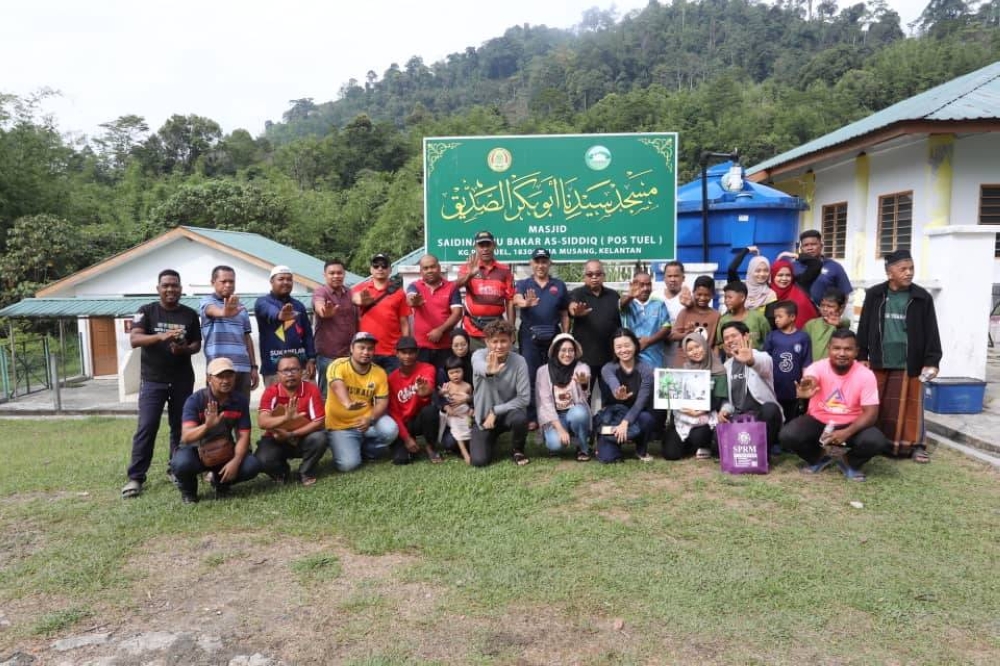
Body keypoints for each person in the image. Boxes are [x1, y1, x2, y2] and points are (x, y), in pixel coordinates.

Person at [121, 269, 202, 499]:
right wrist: (162, 337)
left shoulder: (189, 314)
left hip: (182, 379)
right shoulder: (146, 311)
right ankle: (136, 477)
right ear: (158, 288)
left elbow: (196, 344)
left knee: (180, 427)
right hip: (153, 380)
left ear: (181, 289)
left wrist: (183, 349)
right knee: (147, 427)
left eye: (174, 285)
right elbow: (135, 339)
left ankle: (175, 469)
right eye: (166, 285)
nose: (170, 289)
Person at [857, 249, 942, 463]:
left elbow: (932, 331)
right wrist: (862, 354)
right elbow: (864, 326)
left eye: (911, 268)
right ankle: (878, 444)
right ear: (889, 273)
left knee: (910, 407)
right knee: (879, 405)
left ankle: (915, 447)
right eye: (902, 269)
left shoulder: (922, 297)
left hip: (910, 361)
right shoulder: (875, 294)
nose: (909, 273)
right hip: (879, 360)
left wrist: (932, 361)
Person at [780, 329, 890, 482]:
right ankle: (819, 457)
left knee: (876, 441)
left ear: (856, 351)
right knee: (788, 435)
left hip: (852, 424)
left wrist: (847, 432)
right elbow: (811, 378)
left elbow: (871, 413)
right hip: (819, 421)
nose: (842, 353)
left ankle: (848, 461)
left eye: (848, 349)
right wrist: (807, 385)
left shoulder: (866, 375)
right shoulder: (817, 367)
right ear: (829, 349)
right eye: (837, 348)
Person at [170, 358, 262, 503]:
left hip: (223, 450)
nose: (225, 380)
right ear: (209, 379)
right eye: (220, 376)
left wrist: (236, 461)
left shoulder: (240, 401)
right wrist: (207, 425)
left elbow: (243, 435)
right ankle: (189, 492)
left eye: (229, 375)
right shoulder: (195, 400)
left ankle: (221, 482)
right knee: (181, 463)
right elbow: (187, 437)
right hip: (195, 451)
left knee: (252, 465)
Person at [325, 332, 399, 472]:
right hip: (340, 426)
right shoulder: (338, 365)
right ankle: (345, 445)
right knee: (349, 465)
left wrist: (369, 418)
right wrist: (347, 403)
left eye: (370, 348)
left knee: (391, 430)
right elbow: (336, 384)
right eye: (362, 347)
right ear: (352, 348)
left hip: (367, 422)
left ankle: (367, 450)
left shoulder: (379, 372)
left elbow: (382, 402)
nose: (366, 352)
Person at [512, 247, 569, 429]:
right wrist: (525, 303)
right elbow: (516, 300)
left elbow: (565, 312)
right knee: (530, 376)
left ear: (549, 263)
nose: (540, 265)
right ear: (531, 263)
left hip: (553, 335)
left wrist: (566, 335)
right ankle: (532, 417)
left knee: (554, 375)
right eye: (537, 261)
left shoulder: (559, 285)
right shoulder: (523, 283)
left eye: (544, 261)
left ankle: (554, 414)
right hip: (530, 335)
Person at [255, 353, 327, 486]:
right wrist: (286, 418)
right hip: (276, 438)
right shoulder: (271, 392)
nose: (290, 374)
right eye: (285, 370)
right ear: (278, 374)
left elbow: (319, 422)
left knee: (320, 438)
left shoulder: (311, 389)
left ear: (302, 371)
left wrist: (291, 434)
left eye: (294, 369)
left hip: (302, 437)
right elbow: (262, 422)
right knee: (262, 458)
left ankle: (305, 471)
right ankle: (282, 472)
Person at [469, 319, 531, 467]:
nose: (499, 346)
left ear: (511, 340)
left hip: (507, 413)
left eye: (503, 341)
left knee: (520, 418)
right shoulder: (478, 355)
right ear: (487, 342)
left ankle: (518, 449)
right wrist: (489, 371)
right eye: (494, 341)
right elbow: (479, 367)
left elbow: (524, 399)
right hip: (484, 417)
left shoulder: (519, 361)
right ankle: (488, 438)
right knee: (479, 461)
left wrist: (495, 411)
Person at [718, 321, 784, 454]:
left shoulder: (763, 357)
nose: (730, 340)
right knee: (716, 442)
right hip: (739, 418)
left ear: (746, 336)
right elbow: (728, 399)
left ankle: (762, 452)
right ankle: (747, 449)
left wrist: (750, 360)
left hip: (761, 415)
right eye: (726, 338)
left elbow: (761, 365)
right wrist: (724, 410)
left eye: (734, 336)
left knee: (770, 409)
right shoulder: (727, 366)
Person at [595, 328, 656, 463]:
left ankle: (641, 449)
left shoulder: (646, 369)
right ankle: (605, 442)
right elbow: (613, 383)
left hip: (636, 414)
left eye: (627, 345)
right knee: (608, 458)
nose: (623, 350)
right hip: (613, 416)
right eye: (619, 347)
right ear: (614, 349)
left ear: (635, 345)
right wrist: (618, 393)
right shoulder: (607, 368)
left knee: (647, 418)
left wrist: (625, 423)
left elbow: (641, 402)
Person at [662, 332, 726, 461]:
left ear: (705, 346)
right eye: (690, 350)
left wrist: (700, 411)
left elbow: (719, 399)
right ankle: (687, 444)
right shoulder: (684, 370)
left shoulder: (719, 370)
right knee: (670, 454)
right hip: (683, 416)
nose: (695, 352)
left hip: (705, 416)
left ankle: (703, 445)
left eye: (697, 347)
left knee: (698, 437)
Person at [200, 265, 258, 395]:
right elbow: (211, 310)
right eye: (223, 281)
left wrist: (253, 367)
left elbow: (247, 338)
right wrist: (224, 312)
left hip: (242, 368)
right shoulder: (207, 302)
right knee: (217, 410)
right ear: (213, 282)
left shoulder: (241, 307)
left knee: (241, 411)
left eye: (231, 281)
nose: (228, 285)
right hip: (218, 370)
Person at [254, 265, 316, 387]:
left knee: (306, 404)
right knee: (278, 406)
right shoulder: (262, 302)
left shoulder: (298, 306)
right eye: (281, 279)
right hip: (274, 370)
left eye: (289, 279)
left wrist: (311, 359)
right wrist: (279, 315)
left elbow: (308, 335)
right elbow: (269, 311)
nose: (285, 282)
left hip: (301, 369)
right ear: (272, 281)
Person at [535, 333, 593, 462]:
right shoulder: (543, 371)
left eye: (571, 350)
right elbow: (545, 404)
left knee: (580, 413)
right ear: (555, 351)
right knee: (555, 445)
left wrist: (583, 382)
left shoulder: (580, 367)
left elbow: (584, 383)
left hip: (573, 413)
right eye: (563, 350)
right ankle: (553, 437)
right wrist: (560, 429)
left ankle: (583, 448)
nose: (567, 354)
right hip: (554, 417)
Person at [455, 230, 515, 351]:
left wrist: (511, 329)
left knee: (499, 366)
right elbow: (455, 286)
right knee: (475, 367)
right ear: (476, 247)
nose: (485, 249)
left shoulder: (505, 270)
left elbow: (510, 301)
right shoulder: (467, 267)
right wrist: (470, 275)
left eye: (488, 245)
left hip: (497, 330)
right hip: (473, 329)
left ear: (494, 245)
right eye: (481, 245)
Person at [351, 253, 411, 373]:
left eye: (384, 266)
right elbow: (355, 298)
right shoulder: (360, 289)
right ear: (371, 269)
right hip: (365, 351)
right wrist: (359, 300)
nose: (380, 269)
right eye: (376, 265)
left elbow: (404, 322)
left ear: (390, 269)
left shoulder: (399, 293)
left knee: (393, 388)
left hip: (392, 352)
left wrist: (405, 347)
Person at [386, 336, 441, 465]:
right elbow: (394, 412)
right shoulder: (391, 379)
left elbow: (429, 387)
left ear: (417, 353)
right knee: (401, 459)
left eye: (411, 352)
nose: (408, 356)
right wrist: (406, 438)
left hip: (420, 419)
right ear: (397, 354)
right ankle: (411, 445)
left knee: (430, 410)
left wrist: (424, 392)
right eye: (404, 352)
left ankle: (430, 446)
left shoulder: (427, 368)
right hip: (403, 423)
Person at [568, 259, 623, 387]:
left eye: (598, 274)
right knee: (583, 397)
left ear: (603, 276)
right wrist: (575, 311)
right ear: (584, 277)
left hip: (610, 359)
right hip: (584, 359)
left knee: (610, 398)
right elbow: (572, 308)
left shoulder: (614, 295)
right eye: (590, 274)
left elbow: (619, 324)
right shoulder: (577, 293)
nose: (594, 277)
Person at [406, 254, 463, 369]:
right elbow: (410, 299)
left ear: (439, 268)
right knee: (424, 382)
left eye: (432, 267)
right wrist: (414, 301)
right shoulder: (415, 286)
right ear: (421, 271)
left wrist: (440, 330)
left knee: (444, 382)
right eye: (425, 268)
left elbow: (457, 313)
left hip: (445, 346)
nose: (429, 271)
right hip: (421, 347)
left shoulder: (451, 287)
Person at [313, 259, 357, 397]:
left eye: (339, 273)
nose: (336, 276)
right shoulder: (321, 292)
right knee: (327, 396)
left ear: (344, 274)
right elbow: (319, 305)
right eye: (332, 273)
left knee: (351, 395)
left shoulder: (350, 293)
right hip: (328, 356)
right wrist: (323, 311)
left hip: (350, 356)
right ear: (325, 275)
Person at [763, 301, 812, 423]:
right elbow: (764, 360)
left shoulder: (803, 337)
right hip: (774, 386)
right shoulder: (772, 336)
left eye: (780, 316)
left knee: (792, 418)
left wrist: (805, 381)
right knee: (776, 418)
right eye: (775, 317)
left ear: (792, 317)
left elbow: (806, 362)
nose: (776, 320)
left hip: (794, 388)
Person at [779, 229, 853, 305]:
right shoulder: (793, 267)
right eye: (806, 245)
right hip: (800, 313)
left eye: (813, 244)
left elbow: (845, 294)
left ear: (821, 246)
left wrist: (837, 313)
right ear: (801, 248)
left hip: (825, 314)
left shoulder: (834, 266)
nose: (810, 248)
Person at [620, 270, 672, 368]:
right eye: (641, 285)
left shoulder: (659, 304)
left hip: (655, 360)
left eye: (648, 285)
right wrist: (631, 296)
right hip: (632, 359)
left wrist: (648, 341)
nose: (645, 288)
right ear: (633, 285)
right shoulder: (627, 303)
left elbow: (667, 328)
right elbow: (621, 305)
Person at [668, 275, 721, 364]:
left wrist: (715, 362)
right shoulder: (685, 312)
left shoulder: (716, 315)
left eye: (707, 295)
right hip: (684, 362)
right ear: (693, 292)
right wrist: (687, 334)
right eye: (699, 294)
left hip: (706, 363)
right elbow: (672, 336)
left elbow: (716, 344)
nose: (702, 298)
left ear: (713, 295)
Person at [716, 281, 771, 351]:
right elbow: (720, 343)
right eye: (725, 298)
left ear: (742, 298)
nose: (726, 300)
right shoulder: (723, 320)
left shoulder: (758, 318)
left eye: (730, 297)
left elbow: (768, 340)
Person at [440, 356, 473, 464]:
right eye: (451, 373)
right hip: (452, 414)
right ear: (447, 374)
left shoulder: (467, 386)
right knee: (457, 428)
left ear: (463, 371)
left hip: (465, 412)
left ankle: (471, 447)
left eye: (458, 371)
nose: (455, 375)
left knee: (469, 427)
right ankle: (464, 453)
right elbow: (440, 396)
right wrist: (443, 393)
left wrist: (470, 410)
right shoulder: (447, 386)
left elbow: (471, 401)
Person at [766, 259, 818, 329]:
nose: (784, 278)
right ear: (773, 276)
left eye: (788, 275)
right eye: (780, 275)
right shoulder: (766, 294)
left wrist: (798, 256)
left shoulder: (800, 297)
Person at [803, 288, 851, 363]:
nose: (825, 309)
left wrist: (839, 324)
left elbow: (845, 323)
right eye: (822, 305)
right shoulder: (811, 325)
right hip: (813, 369)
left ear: (841, 308)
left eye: (830, 306)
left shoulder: (841, 324)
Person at [726, 246, 776, 313]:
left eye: (766, 271)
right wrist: (746, 250)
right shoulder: (741, 289)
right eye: (758, 271)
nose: (762, 274)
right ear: (751, 271)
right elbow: (731, 270)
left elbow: (770, 321)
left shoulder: (770, 295)